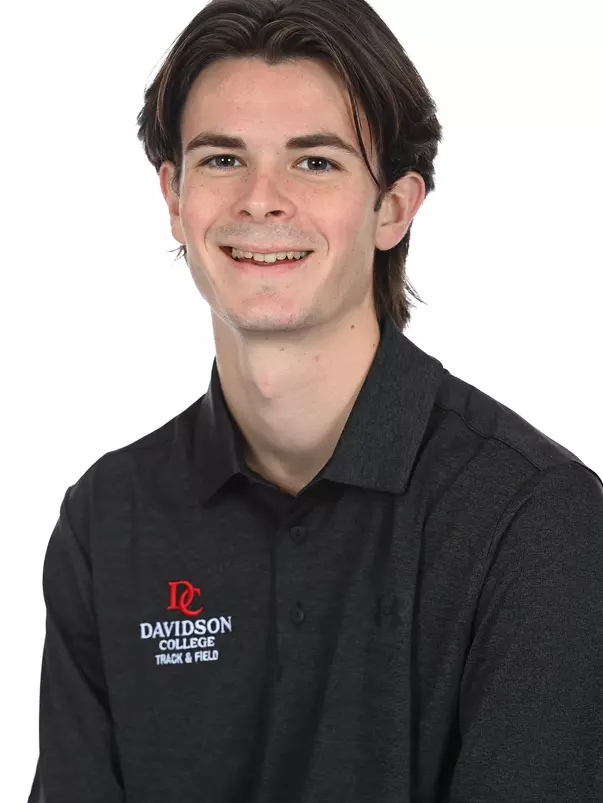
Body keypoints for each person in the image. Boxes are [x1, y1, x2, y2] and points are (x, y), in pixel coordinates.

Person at [27, 0, 603, 801]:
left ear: (393, 208)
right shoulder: (107, 518)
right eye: (223, 160)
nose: (260, 201)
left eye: (315, 162)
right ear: (173, 195)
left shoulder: (533, 521)